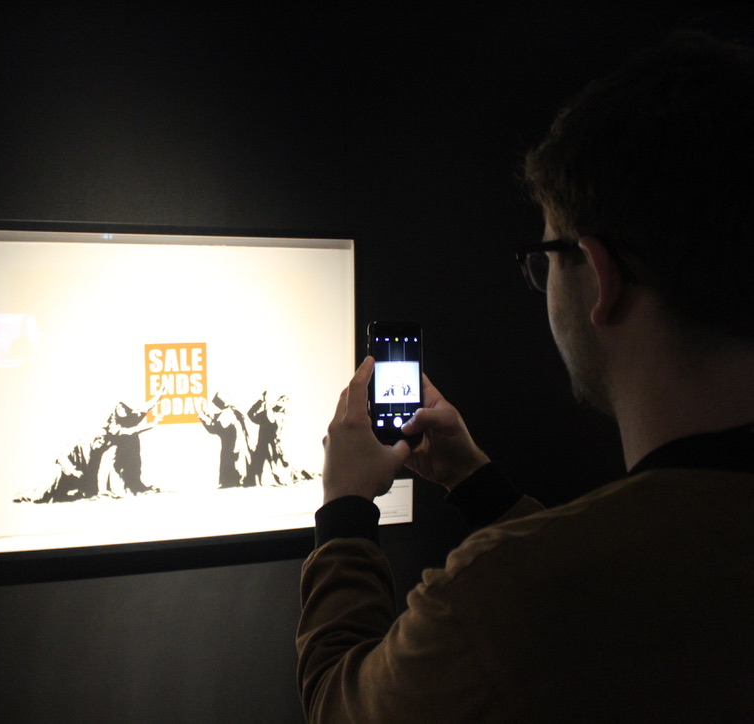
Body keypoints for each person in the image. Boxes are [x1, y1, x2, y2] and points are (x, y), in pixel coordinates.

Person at [297, 32, 754, 723]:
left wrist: (344, 510)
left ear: (599, 275)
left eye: (546, 259)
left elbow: (341, 704)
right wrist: (478, 484)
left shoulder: (493, 600)